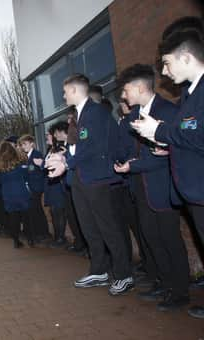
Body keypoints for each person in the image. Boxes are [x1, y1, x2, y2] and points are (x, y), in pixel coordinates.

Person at [129, 17, 204, 317]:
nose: (164, 71)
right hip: (194, 192)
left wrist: (160, 132)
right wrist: (167, 146)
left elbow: (198, 135)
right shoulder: (189, 95)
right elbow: (188, 138)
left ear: (186, 57)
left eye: (167, 63)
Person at [46, 73, 133, 296]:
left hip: (96, 179)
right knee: (89, 227)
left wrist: (67, 163)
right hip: (81, 179)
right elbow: (80, 147)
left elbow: (94, 148)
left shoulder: (96, 113)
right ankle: (99, 269)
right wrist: (65, 159)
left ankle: (124, 275)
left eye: (65, 92)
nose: (63, 96)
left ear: (75, 90)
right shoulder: (79, 115)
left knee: (108, 227)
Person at [115, 63, 190, 312]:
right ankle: (164, 283)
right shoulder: (135, 115)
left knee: (170, 240)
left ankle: (180, 292)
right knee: (152, 238)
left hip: (163, 188)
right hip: (143, 188)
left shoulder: (167, 110)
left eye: (126, 90)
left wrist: (133, 166)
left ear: (138, 87)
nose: (124, 96)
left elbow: (172, 151)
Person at [50, 121, 85, 254]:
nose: (55, 135)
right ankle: (79, 242)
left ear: (64, 131)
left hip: (77, 185)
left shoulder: (72, 145)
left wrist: (65, 157)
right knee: (72, 216)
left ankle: (82, 244)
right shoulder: (63, 147)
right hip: (67, 187)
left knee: (78, 216)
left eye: (56, 132)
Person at [0, 142, 30, 248]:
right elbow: (26, 175)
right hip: (21, 191)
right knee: (26, 217)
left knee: (14, 218)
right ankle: (30, 239)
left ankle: (16, 241)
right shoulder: (19, 162)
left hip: (7, 193)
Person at [18, 135, 50, 243]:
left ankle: (44, 233)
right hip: (30, 187)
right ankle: (39, 232)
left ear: (32, 143)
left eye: (25, 144)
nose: (23, 146)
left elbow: (38, 172)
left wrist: (27, 171)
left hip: (36, 187)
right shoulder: (27, 156)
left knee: (37, 210)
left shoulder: (36, 154)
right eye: (22, 145)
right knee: (35, 210)